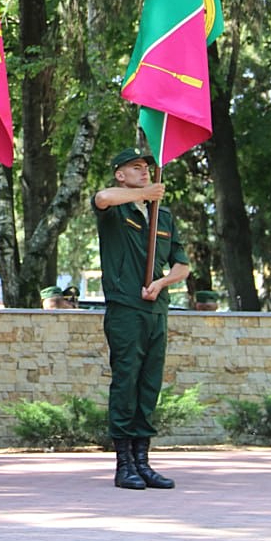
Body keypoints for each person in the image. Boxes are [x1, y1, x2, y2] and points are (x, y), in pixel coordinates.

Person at [93, 147, 190, 491]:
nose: (144, 171)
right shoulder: (115, 210)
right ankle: (124, 464)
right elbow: (102, 198)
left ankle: (143, 460)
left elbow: (182, 264)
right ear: (120, 175)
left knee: (149, 384)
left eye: (146, 167)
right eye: (135, 168)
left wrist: (162, 283)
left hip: (156, 309)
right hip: (126, 307)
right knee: (127, 381)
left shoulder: (163, 216)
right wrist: (143, 194)